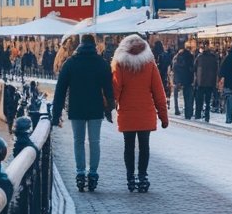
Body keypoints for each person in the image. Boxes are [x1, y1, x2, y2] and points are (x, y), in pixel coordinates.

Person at [51, 33, 115, 193]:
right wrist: (109, 109)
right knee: (94, 142)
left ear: (79, 45)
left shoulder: (70, 63)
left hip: (76, 109)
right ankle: (92, 175)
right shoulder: (101, 63)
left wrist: (55, 114)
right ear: (94, 45)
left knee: (78, 141)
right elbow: (109, 89)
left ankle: (80, 174)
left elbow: (60, 90)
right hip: (95, 108)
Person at [111, 34, 169, 192]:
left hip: (127, 114)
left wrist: (107, 107)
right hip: (145, 113)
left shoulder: (120, 64)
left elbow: (115, 89)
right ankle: (142, 176)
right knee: (144, 146)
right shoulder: (149, 64)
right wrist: (163, 116)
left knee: (128, 147)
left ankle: (130, 177)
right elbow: (159, 92)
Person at [193, 40, 219, 121]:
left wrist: (195, 80)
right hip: (210, 83)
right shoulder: (214, 57)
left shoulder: (199, 57)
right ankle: (207, 116)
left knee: (199, 100)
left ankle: (198, 115)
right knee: (208, 101)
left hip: (201, 82)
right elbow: (216, 70)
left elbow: (194, 68)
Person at [170, 40, 197, 119]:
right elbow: (192, 68)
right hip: (189, 79)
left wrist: (177, 79)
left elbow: (174, 68)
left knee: (179, 96)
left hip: (179, 79)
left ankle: (177, 110)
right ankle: (188, 113)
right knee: (189, 97)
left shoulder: (177, 57)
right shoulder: (190, 57)